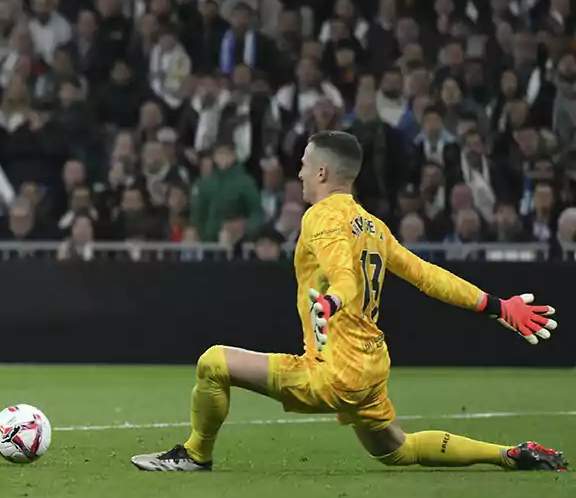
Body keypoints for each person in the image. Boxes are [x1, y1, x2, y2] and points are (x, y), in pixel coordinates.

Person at [131, 131, 566, 473]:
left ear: (322, 173)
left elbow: (343, 276)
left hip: (334, 371)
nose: (299, 174)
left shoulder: (320, 216)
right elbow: (426, 275)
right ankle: (508, 454)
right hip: (371, 365)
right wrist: (496, 305)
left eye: (303, 165)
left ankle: (195, 455)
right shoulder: (372, 225)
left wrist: (334, 301)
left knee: (213, 363)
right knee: (398, 451)